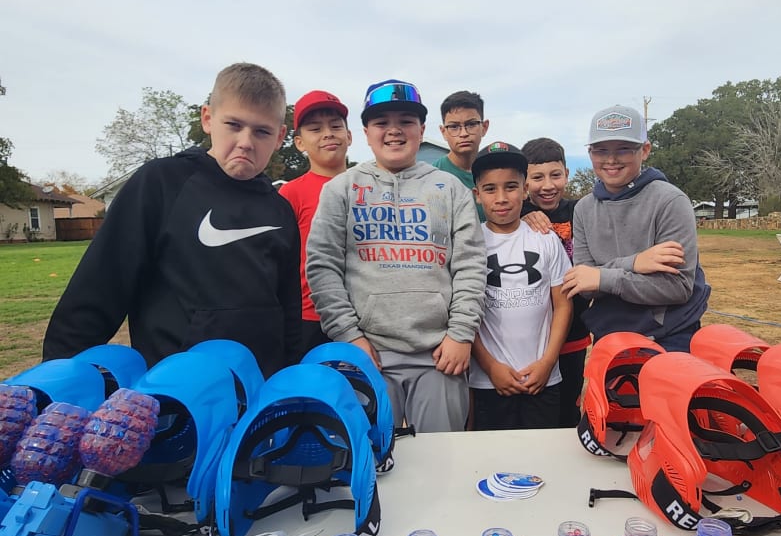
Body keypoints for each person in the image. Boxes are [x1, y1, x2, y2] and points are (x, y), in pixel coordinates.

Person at [42, 63, 302, 377]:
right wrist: (60, 378)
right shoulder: (162, 183)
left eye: (262, 131)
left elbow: (289, 310)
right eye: (233, 125)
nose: (246, 141)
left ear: (280, 136)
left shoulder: (279, 210)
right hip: (174, 390)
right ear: (208, 118)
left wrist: (290, 379)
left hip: (257, 387)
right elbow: (101, 286)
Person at [306, 79, 486, 432]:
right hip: (368, 354)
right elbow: (322, 266)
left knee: (441, 456)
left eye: (406, 121)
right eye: (381, 122)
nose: (394, 130)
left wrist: (461, 334)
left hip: (440, 355)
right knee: (372, 456)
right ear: (365, 132)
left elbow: (471, 265)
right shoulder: (341, 189)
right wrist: (349, 337)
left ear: (421, 129)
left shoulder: (451, 189)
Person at [562, 104, 710, 352]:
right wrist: (635, 263)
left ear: (645, 150)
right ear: (590, 153)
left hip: (669, 336)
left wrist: (603, 277)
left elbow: (677, 288)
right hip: (610, 335)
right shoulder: (584, 208)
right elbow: (584, 284)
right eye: (601, 150)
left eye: (623, 149)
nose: (611, 159)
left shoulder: (671, 201)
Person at [469, 142, 573, 431]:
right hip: (489, 381)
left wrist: (547, 363)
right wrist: (491, 367)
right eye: (490, 189)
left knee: (542, 452)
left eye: (511, 187)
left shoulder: (545, 238)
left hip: (542, 378)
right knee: (492, 453)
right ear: (477, 195)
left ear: (525, 190)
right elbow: (464, 314)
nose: (501, 198)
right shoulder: (470, 243)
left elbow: (562, 304)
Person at [520, 138, 592, 427]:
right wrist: (523, 213)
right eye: (537, 177)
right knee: (533, 407)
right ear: (524, 181)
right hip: (531, 338)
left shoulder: (581, 211)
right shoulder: (517, 213)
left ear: (567, 174)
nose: (547, 185)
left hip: (573, 333)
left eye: (555, 175)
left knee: (567, 409)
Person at [279, 90, 351, 356]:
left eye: (335, 126)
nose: (328, 134)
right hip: (309, 318)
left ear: (349, 136)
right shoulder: (290, 193)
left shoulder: (369, 187)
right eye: (315, 129)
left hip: (362, 318)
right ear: (299, 142)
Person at [434, 90, 489, 221]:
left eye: (471, 124)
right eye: (454, 126)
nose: (463, 133)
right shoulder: (433, 177)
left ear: (484, 127)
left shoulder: (498, 172)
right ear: (443, 132)